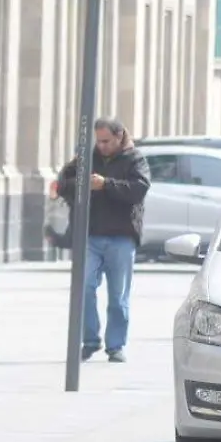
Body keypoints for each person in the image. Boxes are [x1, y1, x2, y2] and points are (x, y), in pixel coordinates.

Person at [56, 116, 151, 362]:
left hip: (121, 236)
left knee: (118, 297)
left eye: (107, 141)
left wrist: (106, 185)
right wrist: (82, 184)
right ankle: (90, 340)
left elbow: (139, 189)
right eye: (99, 141)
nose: (102, 146)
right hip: (90, 234)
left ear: (120, 137)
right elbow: (62, 184)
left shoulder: (135, 159)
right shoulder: (86, 158)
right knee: (84, 288)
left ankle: (115, 345)